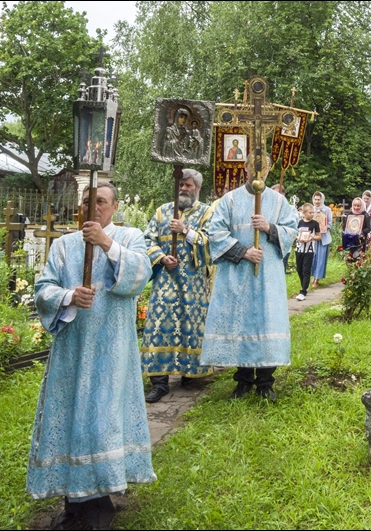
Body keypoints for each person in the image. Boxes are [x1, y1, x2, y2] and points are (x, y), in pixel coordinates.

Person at [29, 182, 154, 530]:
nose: (93, 206)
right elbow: (43, 289)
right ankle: (74, 503)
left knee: (103, 420)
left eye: (100, 201)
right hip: (71, 351)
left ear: (113, 207)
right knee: (70, 419)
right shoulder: (65, 246)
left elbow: (140, 274)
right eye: (87, 201)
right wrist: (68, 296)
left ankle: (100, 504)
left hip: (112, 350)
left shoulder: (129, 237)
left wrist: (105, 243)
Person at [201, 157, 298, 402]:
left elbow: (291, 230)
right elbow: (216, 233)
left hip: (267, 276)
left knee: (266, 321)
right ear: (245, 168)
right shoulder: (230, 200)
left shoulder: (278, 201)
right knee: (241, 321)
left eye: (263, 166)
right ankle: (243, 381)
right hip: (238, 275)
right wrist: (244, 252)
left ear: (269, 169)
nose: (258, 171)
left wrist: (268, 228)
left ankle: (266, 383)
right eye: (253, 166)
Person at [141, 169, 216, 404]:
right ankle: (159, 382)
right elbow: (146, 239)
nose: (183, 188)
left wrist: (185, 231)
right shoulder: (162, 211)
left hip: (193, 283)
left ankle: (189, 375)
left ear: (198, 189)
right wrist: (162, 257)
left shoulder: (206, 213)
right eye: (181, 184)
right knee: (158, 325)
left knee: (191, 327)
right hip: (165, 281)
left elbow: (212, 243)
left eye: (189, 185)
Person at [294, 203, 322, 301]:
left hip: (309, 250)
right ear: (304, 212)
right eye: (310, 212)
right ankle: (304, 285)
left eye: (313, 212)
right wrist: (297, 237)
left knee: (306, 270)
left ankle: (303, 292)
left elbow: (319, 237)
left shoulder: (315, 224)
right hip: (299, 249)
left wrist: (312, 237)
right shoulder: (299, 222)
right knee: (299, 269)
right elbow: (294, 233)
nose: (312, 214)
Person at [311, 191, 333, 288]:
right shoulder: (311, 209)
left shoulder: (327, 210)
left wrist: (325, 228)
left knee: (320, 258)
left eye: (318, 199)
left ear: (322, 199)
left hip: (323, 238)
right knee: (313, 258)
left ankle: (317, 279)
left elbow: (330, 223)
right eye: (315, 199)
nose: (317, 201)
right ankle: (313, 275)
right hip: (313, 238)